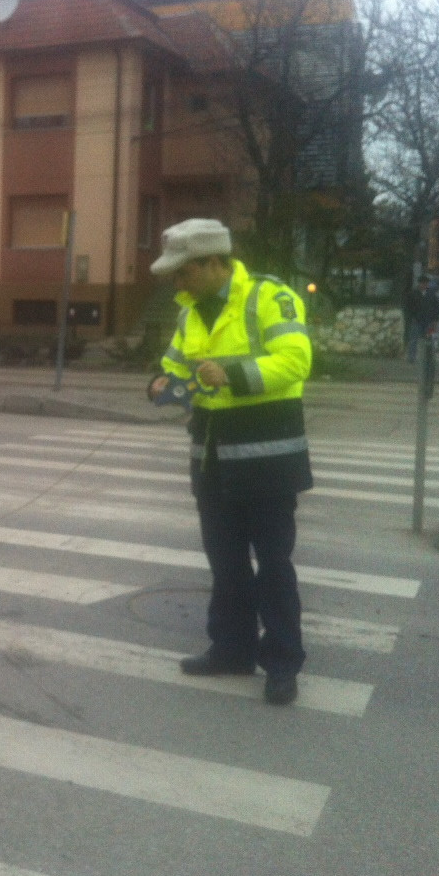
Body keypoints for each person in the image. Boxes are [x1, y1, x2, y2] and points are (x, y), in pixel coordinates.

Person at [147, 219, 312, 706]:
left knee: (274, 566)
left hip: (267, 462)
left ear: (215, 262)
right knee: (226, 565)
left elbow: (296, 361)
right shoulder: (190, 314)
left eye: (184, 272)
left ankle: (282, 662)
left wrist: (233, 373)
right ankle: (231, 649)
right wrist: (160, 386)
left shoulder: (269, 298)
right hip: (212, 461)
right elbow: (175, 372)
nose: (177, 283)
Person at [402, 276, 439, 363]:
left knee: (429, 340)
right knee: (413, 340)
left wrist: (435, 319)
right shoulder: (413, 293)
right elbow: (407, 308)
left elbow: (436, 307)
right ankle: (411, 358)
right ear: (419, 283)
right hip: (416, 320)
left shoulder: (431, 294)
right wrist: (411, 318)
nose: (424, 285)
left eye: (426, 283)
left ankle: (428, 358)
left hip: (429, 321)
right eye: (423, 283)